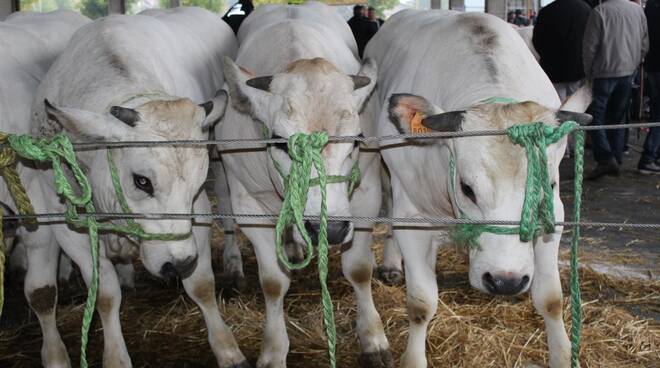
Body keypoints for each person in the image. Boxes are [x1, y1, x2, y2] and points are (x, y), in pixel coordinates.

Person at [582, 0, 648, 179]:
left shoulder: (599, 12)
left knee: (595, 117)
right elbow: (644, 44)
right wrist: (634, 64)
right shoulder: (637, 10)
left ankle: (605, 159)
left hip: (603, 73)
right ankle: (616, 158)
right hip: (628, 72)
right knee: (618, 117)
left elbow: (590, 47)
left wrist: (589, 74)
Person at [532, 0, 591, 102]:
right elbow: (592, 40)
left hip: (552, 69)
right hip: (578, 69)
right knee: (577, 104)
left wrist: (547, 56)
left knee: (555, 104)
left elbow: (536, 40)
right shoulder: (586, 10)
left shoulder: (546, 11)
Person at [639, 0, 660, 174]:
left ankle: (654, 155)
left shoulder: (651, 8)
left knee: (656, 113)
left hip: (653, 66)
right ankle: (648, 158)